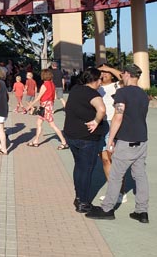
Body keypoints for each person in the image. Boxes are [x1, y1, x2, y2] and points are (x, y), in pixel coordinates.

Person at [86, 64, 150, 223]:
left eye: (123, 74)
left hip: (126, 140)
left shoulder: (122, 93)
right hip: (142, 139)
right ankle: (142, 211)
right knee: (140, 176)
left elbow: (118, 116)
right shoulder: (143, 94)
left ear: (127, 74)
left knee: (115, 176)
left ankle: (107, 209)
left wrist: (110, 139)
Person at [63, 67, 107, 213]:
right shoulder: (92, 94)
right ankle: (83, 201)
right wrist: (96, 121)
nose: (101, 81)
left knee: (79, 167)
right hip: (87, 137)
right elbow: (101, 109)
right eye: (100, 78)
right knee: (86, 169)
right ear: (95, 79)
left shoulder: (76, 89)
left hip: (71, 134)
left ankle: (78, 196)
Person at [97, 64, 126, 203]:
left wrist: (108, 68)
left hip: (113, 122)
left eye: (106, 72)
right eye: (101, 73)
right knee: (104, 159)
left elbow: (123, 76)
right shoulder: (96, 86)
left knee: (115, 158)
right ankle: (112, 190)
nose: (104, 74)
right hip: (100, 123)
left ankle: (121, 191)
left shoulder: (117, 86)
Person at [26, 68, 68, 150]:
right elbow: (54, 96)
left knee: (52, 125)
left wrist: (30, 105)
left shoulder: (44, 85)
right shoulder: (52, 84)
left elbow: (39, 97)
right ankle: (36, 141)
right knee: (39, 123)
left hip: (45, 106)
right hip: (48, 105)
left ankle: (64, 142)